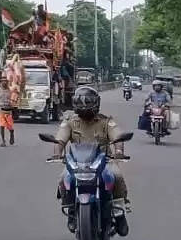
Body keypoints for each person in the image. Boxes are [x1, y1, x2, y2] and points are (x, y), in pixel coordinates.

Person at [51, 85, 130, 215]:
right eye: (80, 102)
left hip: (104, 161)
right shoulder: (70, 122)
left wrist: (119, 152)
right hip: (77, 163)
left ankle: (119, 207)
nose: (83, 105)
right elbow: (60, 139)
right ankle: (69, 206)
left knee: (117, 176)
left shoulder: (106, 121)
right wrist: (56, 153)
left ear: (96, 102)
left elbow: (118, 137)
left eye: (87, 102)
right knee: (63, 178)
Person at [0, 78, 15, 146]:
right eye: (2, 81)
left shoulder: (11, 90)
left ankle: (12, 134)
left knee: (10, 126)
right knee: (1, 125)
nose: (4, 82)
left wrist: (13, 105)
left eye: (5, 81)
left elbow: (14, 99)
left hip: (8, 110)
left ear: (7, 82)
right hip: (1, 109)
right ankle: (3, 141)